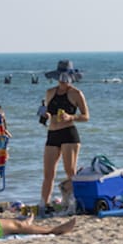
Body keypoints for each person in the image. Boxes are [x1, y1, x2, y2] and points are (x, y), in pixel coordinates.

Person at [41, 60, 89, 212]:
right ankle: (44, 204)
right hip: (52, 132)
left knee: (70, 171)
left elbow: (86, 116)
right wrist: (45, 115)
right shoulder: (50, 92)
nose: (63, 80)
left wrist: (71, 117)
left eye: (66, 76)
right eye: (61, 76)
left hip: (69, 133)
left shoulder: (76, 93)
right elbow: (48, 112)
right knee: (48, 172)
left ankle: (73, 202)